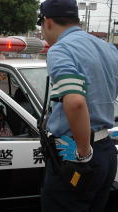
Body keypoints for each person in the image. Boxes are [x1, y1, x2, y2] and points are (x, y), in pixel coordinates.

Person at [37, 0, 118, 211]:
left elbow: (75, 102)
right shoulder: (108, 48)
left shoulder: (61, 50)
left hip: (76, 151)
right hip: (106, 150)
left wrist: (82, 153)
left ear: (48, 22)